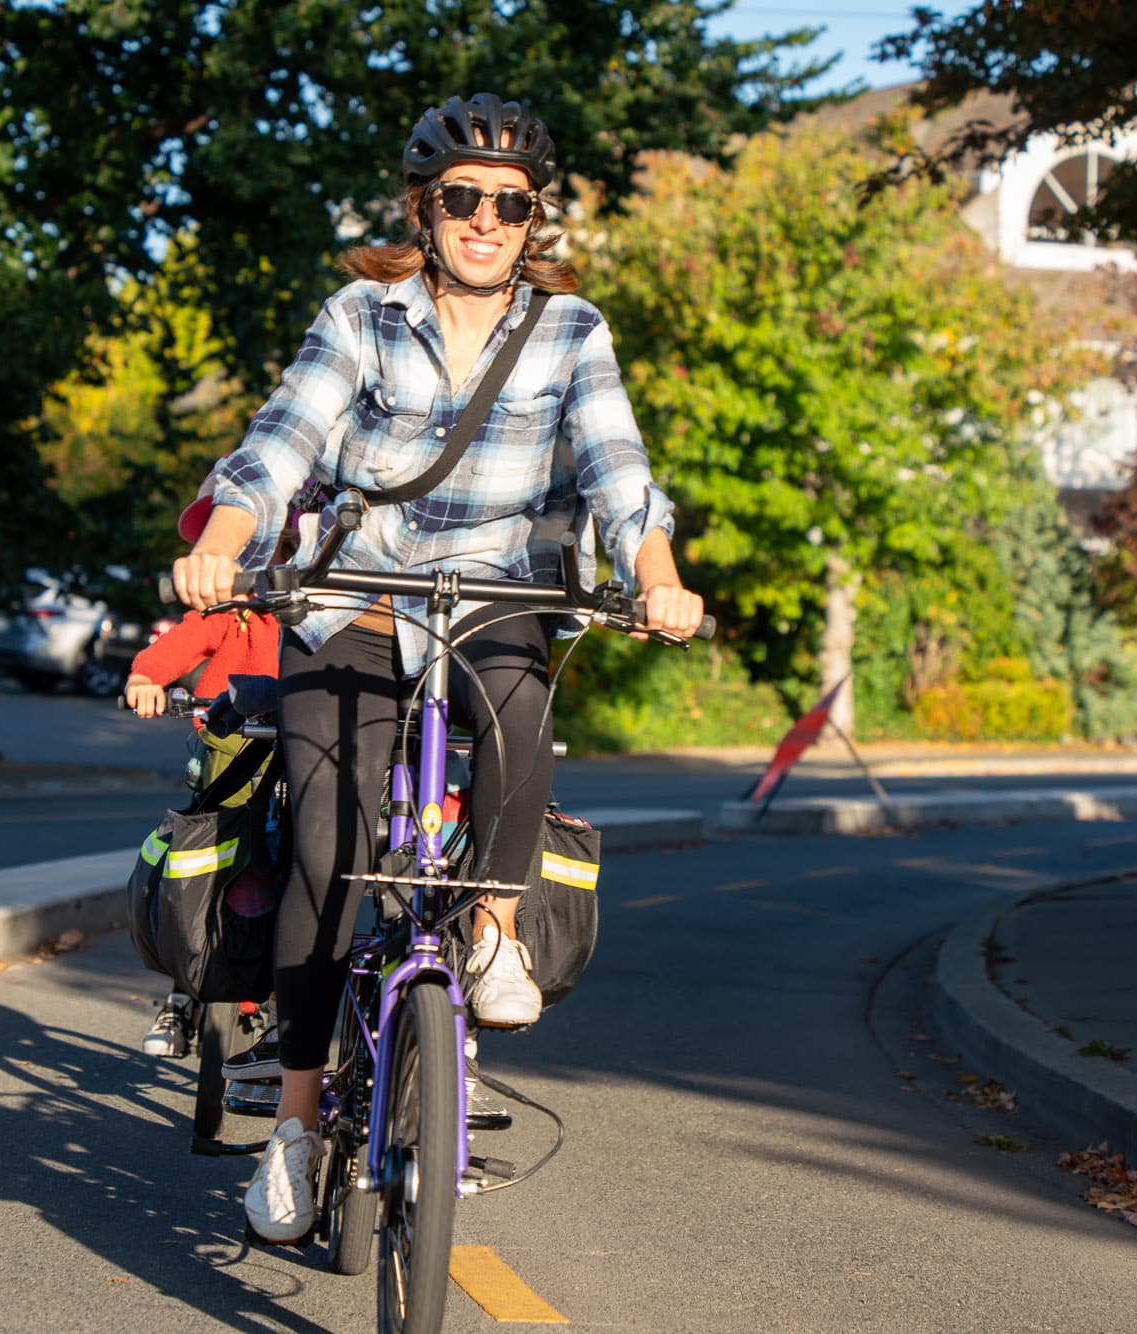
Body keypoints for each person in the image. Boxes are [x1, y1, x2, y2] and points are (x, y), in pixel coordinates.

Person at [169, 92, 706, 1243]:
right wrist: (224, 541)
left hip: (491, 591)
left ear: (532, 220)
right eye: (462, 197)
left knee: (519, 708)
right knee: (328, 847)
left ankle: (494, 929)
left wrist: (656, 573)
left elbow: (617, 469)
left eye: (509, 204)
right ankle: (294, 1124)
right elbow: (280, 441)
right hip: (354, 596)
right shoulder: (360, 315)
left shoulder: (568, 331)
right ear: (422, 206)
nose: (484, 220)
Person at [128, 483, 301, 1059]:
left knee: (305, 863)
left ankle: (284, 998)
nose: (277, 558)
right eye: (268, 546)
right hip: (232, 751)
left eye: (288, 545)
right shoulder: (235, 610)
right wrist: (147, 677)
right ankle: (181, 995)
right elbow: (184, 640)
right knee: (202, 865)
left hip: (305, 750)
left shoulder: (326, 613)